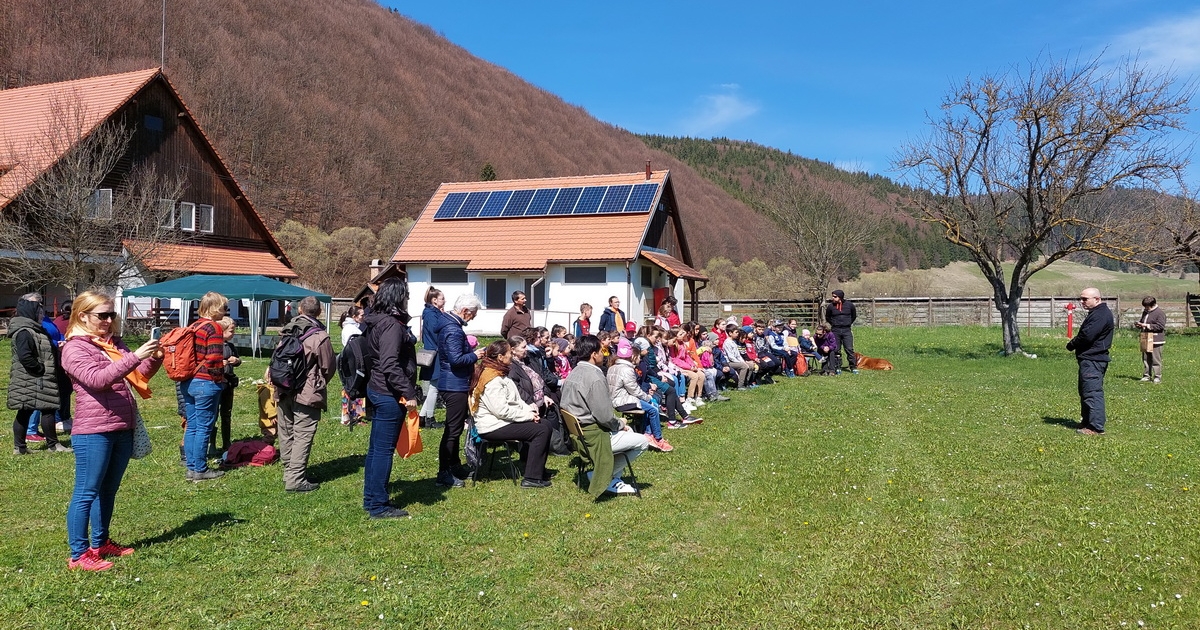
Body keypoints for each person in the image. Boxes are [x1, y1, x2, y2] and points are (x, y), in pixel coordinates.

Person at [60, 291, 161, 570]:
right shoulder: (74, 348)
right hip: (94, 431)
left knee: (108, 490)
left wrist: (155, 356)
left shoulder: (112, 343)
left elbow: (137, 374)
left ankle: (100, 543)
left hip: (121, 425)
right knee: (86, 491)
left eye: (111, 315)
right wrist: (133, 357)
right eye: (101, 315)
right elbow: (97, 379)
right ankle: (79, 555)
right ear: (82, 316)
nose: (108, 320)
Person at [561, 335, 648, 496]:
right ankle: (607, 476)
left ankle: (607, 475)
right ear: (594, 354)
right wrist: (621, 424)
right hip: (594, 436)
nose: (604, 354)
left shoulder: (573, 373)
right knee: (643, 441)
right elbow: (605, 416)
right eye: (601, 351)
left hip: (579, 435)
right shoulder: (595, 377)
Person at [361, 278, 420, 518]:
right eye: (405, 295)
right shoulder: (391, 325)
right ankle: (378, 505)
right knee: (383, 451)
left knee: (376, 450)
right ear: (398, 297)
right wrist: (408, 392)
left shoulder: (376, 320)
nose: (407, 299)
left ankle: (371, 498)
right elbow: (389, 364)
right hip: (387, 393)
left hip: (377, 388)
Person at [470, 340, 553, 488]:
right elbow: (501, 410)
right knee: (540, 430)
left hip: (501, 421)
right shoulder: (492, 379)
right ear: (500, 357)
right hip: (492, 427)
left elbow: (515, 399)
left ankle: (537, 470)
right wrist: (528, 416)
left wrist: (530, 410)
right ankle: (532, 478)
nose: (511, 355)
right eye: (509, 353)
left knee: (545, 424)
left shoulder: (499, 373)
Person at [274, 296, 335, 493]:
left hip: (283, 386)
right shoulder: (320, 336)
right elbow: (328, 366)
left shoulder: (287, 330)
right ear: (319, 312)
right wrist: (319, 382)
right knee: (303, 434)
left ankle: (288, 472)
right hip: (307, 391)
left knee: (286, 431)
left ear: (299, 309)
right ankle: (296, 479)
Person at [9, 293, 69, 454]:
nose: (43, 315)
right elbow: (25, 356)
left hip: (38, 378)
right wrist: (40, 369)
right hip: (33, 378)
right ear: (32, 313)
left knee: (34, 409)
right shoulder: (24, 331)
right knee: (42, 408)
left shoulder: (35, 329)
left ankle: (22, 448)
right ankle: (51, 445)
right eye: (40, 312)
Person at [435, 293, 485, 488]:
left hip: (454, 382)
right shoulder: (453, 330)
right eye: (472, 314)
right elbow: (456, 360)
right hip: (453, 383)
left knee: (454, 427)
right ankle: (444, 472)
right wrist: (475, 355)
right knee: (452, 430)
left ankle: (454, 465)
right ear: (465, 311)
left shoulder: (449, 325)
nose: (473, 318)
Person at [181, 291, 228, 482]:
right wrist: (220, 380)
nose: (226, 310)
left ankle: (192, 467)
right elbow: (214, 358)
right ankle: (200, 469)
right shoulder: (213, 327)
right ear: (215, 308)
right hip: (206, 382)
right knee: (204, 427)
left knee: (192, 426)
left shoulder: (194, 326)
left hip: (189, 381)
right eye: (225, 307)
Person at [608, 340, 671, 452]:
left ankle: (648, 433)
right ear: (632, 356)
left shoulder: (613, 366)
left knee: (649, 407)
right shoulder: (627, 369)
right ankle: (657, 438)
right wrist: (648, 397)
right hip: (624, 401)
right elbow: (635, 390)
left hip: (617, 399)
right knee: (652, 409)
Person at [1067, 288, 1114, 436]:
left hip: (1094, 359)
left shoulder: (1100, 315)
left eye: (1085, 299)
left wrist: (1072, 344)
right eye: (1081, 299)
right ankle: (1087, 421)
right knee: (1085, 391)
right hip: (1089, 359)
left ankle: (1095, 427)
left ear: (1097, 299)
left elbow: (1087, 336)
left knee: (1092, 392)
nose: (1082, 302)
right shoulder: (1097, 313)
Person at [417, 288, 446, 429]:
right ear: (434, 300)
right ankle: (430, 419)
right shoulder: (431, 314)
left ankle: (422, 417)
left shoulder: (432, 313)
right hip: (435, 354)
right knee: (434, 387)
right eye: (442, 298)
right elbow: (437, 333)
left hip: (434, 352)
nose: (444, 301)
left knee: (433, 388)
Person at [213, 317, 241, 454]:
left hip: (229, 384)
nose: (233, 333)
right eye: (231, 331)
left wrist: (236, 360)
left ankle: (226, 442)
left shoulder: (230, 346)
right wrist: (220, 364)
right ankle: (211, 444)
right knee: (213, 414)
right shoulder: (214, 346)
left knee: (226, 414)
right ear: (222, 331)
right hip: (217, 383)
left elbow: (238, 360)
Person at [339, 305, 367, 427]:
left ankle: (347, 416)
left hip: (348, 360)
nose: (363, 317)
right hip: (353, 361)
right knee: (355, 387)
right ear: (354, 317)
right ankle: (355, 417)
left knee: (349, 387)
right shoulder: (352, 329)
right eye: (361, 315)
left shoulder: (350, 327)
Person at [825, 290, 858, 373]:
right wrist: (834, 324)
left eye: (835, 296)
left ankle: (853, 366)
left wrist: (848, 323)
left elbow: (853, 316)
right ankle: (837, 366)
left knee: (849, 349)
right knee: (836, 349)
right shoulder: (830, 307)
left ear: (840, 297)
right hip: (835, 330)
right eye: (833, 296)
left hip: (846, 330)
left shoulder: (849, 305)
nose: (833, 298)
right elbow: (828, 317)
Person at [1135, 296, 1166, 384]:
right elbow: (1143, 321)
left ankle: (1157, 376)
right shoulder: (1145, 312)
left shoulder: (1159, 313)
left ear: (1153, 305)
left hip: (1156, 339)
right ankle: (1146, 375)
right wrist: (1139, 325)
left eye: (1147, 306)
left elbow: (1160, 326)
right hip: (1146, 337)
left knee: (1156, 359)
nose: (1145, 308)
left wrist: (1147, 326)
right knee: (1145, 358)